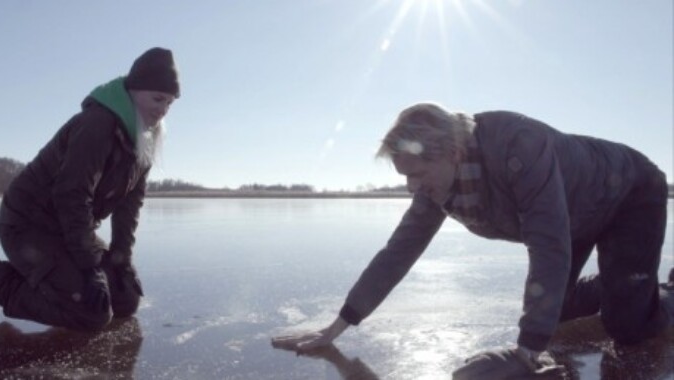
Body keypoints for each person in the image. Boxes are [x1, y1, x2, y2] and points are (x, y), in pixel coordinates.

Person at [272, 102, 674, 379]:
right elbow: (398, 252)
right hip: (577, 211)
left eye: (416, 173)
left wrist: (525, 355)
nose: (412, 186)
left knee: (629, 327)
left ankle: (663, 292)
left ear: (452, 152)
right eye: (404, 176)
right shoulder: (437, 186)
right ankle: (629, 284)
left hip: (630, 192)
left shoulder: (519, 145)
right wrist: (340, 324)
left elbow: (548, 245)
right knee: (559, 309)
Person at [0, 47, 180, 331]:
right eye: (157, 98)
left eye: (170, 103)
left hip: (67, 231)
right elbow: (72, 196)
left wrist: (121, 260)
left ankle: (33, 276)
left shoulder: (143, 139)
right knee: (91, 314)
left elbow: (128, 207)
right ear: (134, 91)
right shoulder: (97, 125)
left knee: (125, 301)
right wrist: (89, 267)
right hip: (28, 226)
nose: (162, 110)